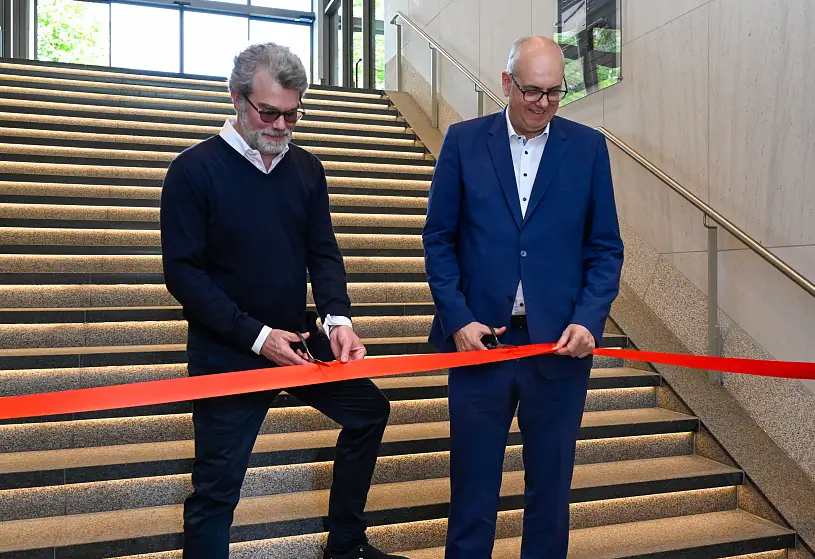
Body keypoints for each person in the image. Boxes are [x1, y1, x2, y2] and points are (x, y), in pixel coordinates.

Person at [160, 43, 406, 559]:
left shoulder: (307, 170)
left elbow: (323, 251)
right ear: (235, 98)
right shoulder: (192, 170)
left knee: (369, 413)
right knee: (216, 491)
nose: (280, 125)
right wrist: (257, 337)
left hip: (299, 339)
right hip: (228, 352)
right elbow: (183, 275)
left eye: (292, 114)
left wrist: (338, 320)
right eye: (268, 111)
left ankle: (345, 548)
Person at [423, 36, 624, 558]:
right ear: (507, 82)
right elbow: (438, 239)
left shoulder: (587, 148)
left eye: (554, 93)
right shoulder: (464, 142)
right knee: (471, 496)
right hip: (479, 346)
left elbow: (604, 248)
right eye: (532, 91)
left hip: (558, 351)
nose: (542, 104)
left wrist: (589, 320)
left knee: (550, 498)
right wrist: (457, 318)